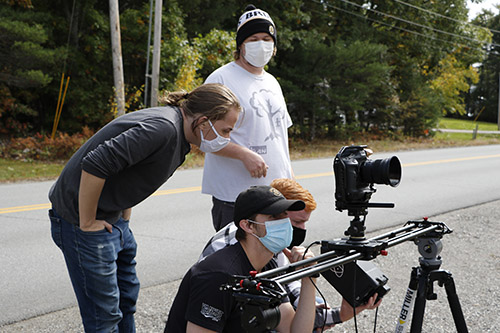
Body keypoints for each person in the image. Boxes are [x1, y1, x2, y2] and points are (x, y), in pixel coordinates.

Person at [48, 83, 241, 333]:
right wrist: (87, 222)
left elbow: (131, 171)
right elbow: (95, 163)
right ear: (204, 121)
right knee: (104, 317)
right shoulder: (163, 129)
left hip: (113, 220)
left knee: (126, 301)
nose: (227, 138)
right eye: (226, 130)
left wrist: (123, 214)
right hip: (82, 223)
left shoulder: (179, 133)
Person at [199, 178, 380, 331]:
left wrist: (310, 277)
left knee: (312, 302)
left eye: (303, 223)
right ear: (249, 225)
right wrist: (334, 316)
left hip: (247, 308)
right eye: (281, 218)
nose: (296, 229)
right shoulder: (231, 257)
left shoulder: (268, 246)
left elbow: (291, 295)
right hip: (226, 315)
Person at [164, 185, 317, 332]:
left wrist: (309, 276)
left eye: (285, 215)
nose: (283, 223)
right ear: (248, 225)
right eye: (274, 216)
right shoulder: (218, 275)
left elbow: (293, 330)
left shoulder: (267, 266)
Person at [203, 4, 294, 231]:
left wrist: (290, 182)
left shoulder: (272, 82)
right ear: (241, 45)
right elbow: (202, 135)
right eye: (253, 39)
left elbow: (281, 140)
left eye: (266, 38)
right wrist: (243, 154)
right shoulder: (221, 79)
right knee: (237, 263)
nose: (261, 44)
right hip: (236, 198)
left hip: (275, 196)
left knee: (273, 263)